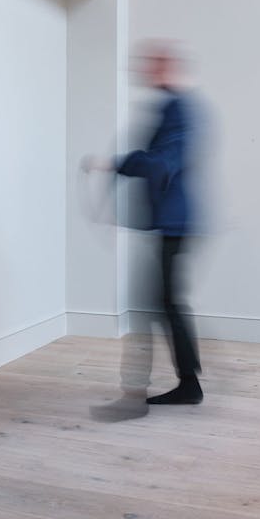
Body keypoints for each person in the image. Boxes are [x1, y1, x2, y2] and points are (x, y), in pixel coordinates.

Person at [84, 41, 205, 407]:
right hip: (171, 222)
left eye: (152, 63)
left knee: (158, 302)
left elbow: (161, 163)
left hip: (175, 222)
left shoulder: (179, 108)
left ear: (167, 66)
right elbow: (160, 165)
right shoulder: (174, 105)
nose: (145, 69)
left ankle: (153, 390)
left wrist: (113, 164)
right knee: (165, 301)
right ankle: (184, 384)